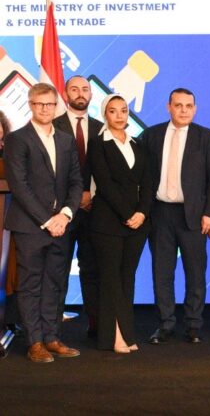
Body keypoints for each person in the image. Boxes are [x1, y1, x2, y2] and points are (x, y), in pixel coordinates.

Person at [4, 82, 83, 363]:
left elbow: (76, 182)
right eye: (39, 104)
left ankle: (51, 338)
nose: (45, 109)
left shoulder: (65, 140)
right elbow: (20, 186)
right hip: (31, 227)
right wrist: (48, 220)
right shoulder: (17, 139)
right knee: (30, 285)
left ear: (56, 105)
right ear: (31, 105)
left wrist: (65, 215)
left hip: (62, 226)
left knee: (54, 284)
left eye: (50, 104)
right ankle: (34, 342)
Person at [141, 88, 210, 344]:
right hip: (160, 213)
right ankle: (165, 324)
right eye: (178, 105)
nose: (184, 110)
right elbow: (141, 175)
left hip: (195, 215)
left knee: (195, 272)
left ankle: (193, 325)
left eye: (189, 106)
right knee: (162, 272)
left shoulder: (206, 137)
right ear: (169, 107)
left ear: (195, 109)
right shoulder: (151, 135)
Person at [88, 94, 153, 352]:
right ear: (105, 114)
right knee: (111, 279)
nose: (119, 115)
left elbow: (148, 183)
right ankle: (114, 336)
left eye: (123, 110)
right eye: (113, 111)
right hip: (108, 222)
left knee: (127, 278)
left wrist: (142, 213)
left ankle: (126, 333)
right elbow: (104, 184)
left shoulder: (139, 145)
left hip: (138, 224)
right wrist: (128, 214)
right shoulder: (97, 144)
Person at [52, 75, 102, 336]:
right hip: (61, 211)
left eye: (85, 89)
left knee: (92, 269)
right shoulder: (53, 125)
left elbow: (107, 169)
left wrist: (90, 194)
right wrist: (73, 199)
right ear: (65, 94)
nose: (80, 93)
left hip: (94, 210)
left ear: (91, 94)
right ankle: (52, 327)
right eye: (74, 89)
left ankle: (96, 324)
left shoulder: (102, 128)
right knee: (57, 269)